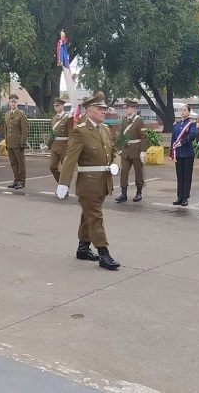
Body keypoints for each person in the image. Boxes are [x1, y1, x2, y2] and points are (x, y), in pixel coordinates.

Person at [56, 92, 121, 270]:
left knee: (88, 215)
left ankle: (83, 248)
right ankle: (103, 253)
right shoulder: (80, 131)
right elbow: (70, 158)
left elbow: (115, 152)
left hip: (103, 181)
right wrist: (63, 183)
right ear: (89, 110)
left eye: (105, 109)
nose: (104, 112)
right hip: (88, 183)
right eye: (100, 109)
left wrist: (116, 164)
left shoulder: (105, 129)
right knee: (95, 216)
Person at [115, 99, 148, 203]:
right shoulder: (124, 120)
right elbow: (121, 135)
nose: (125, 109)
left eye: (127, 107)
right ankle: (123, 193)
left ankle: (139, 192)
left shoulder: (139, 120)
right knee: (124, 171)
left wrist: (143, 151)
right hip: (126, 150)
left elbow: (144, 137)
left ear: (133, 108)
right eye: (125, 107)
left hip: (136, 150)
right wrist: (120, 148)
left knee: (138, 171)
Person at [171, 104, 198, 206]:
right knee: (179, 175)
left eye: (185, 110)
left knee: (187, 176)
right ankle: (179, 196)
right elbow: (173, 139)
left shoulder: (191, 123)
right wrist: (172, 152)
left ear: (189, 112)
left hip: (187, 153)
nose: (182, 112)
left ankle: (185, 197)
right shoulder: (176, 124)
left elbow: (192, 135)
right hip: (178, 153)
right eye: (181, 110)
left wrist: (181, 142)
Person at [4, 94, 28, 189]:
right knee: (13, 163)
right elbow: (6, 129)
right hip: (10, 143)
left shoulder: (21, 114)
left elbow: (24, 130)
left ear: (17, 103)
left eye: (15, 102)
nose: (13, 103)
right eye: (11, 102)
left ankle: (21, 181)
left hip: (18, 143)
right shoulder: (7, 114)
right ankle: (16, 180)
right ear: (9, 103)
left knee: (20, 163)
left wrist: (22, 143)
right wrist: (6, 142)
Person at [47, 98, 71, 182]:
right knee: (52, 167)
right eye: (55, 106)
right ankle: (61, 182)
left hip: (64, 146)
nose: (56, 108)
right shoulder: (54, 118)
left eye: (57, 106)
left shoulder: (68, 118)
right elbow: (52, 134)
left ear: (62, 106)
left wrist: (71, 146)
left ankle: (64, 186)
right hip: (55, 146)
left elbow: (71, 133)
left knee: (65, 168)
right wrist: (48, 144)